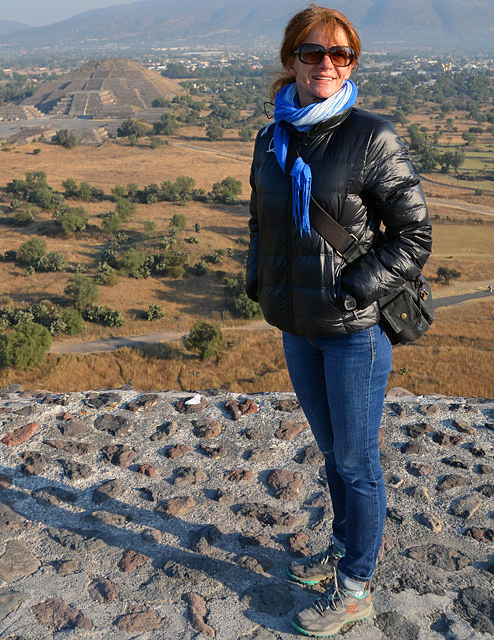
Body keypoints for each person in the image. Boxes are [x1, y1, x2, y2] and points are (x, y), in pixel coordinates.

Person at [246, 4, 432, 637]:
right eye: (312, 52)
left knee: (356, 462)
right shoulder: (272, 138)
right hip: (298, 326)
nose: (326, 63)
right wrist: (259, 282)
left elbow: (414, 235)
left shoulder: (371, 137)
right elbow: (260, 222)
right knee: (331, 453)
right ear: (290, 59)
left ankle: (355, 586)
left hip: (355, 332)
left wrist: (355, 287)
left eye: (340, 55)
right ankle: (341, 551)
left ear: (352, 63)